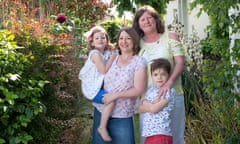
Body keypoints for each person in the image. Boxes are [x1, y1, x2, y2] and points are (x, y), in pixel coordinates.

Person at [132, 5, 186, 144]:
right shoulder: (138, 44)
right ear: (138, 24)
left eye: (150, 18)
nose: (147, 21)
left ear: (156, 20)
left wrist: (168, 83)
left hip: (171, 94)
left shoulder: (170, 37)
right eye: (142, 19)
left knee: (175, 137)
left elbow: (180, 62)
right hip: (148, 98)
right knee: (149, 137)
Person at [92, 27, 147, 144]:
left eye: (128, 38)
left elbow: (139, 89)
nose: (124, 42)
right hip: (101, 110)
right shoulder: (111, 55)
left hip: (122, 114)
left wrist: (115, 95)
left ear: (135, 41)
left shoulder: (139, 62)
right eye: (121, 38)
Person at [78, 26, 116, 142]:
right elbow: (103, 70)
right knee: (110, 101)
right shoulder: (95, 54)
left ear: (107, 40)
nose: (100, 40)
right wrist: (112, 58)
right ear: (92, 43)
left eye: (103, 37)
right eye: (97, 38)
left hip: (97, 86)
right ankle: (102, 127)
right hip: (92, 89)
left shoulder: (104, 52)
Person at [138, 58, 175, 144]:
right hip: (149, 134)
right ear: (151, 76)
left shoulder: (168, 91)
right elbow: (140, 109)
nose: (159, 77)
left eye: (163, 74)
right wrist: (149, 105)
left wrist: (147, 105)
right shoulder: (150, 89)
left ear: (168, 75)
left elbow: (154, 109)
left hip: (161, 134)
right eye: (155, 74)